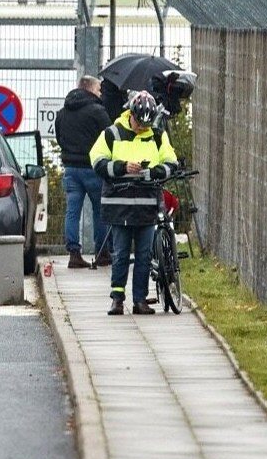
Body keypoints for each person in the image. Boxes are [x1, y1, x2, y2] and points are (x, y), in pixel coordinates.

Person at [89, 90, 178, 315]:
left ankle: (140, 300)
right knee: (120, 254)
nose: (142, 128)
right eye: (139, 123)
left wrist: (155, 172)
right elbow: (97, 161)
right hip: (120, 205)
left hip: (147, 204)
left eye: (146, 124)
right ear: (131, 115)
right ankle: (117, 298)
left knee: (144, 255)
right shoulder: (112, 134)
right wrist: (121, 167)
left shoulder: (157, 135)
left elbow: (171, 162)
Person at [54, 76, 111, 269]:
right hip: (93, 168)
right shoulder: (97, 111)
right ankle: (102, 253)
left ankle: (74, 254)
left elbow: (59, 137)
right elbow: (109, 137)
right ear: (89, 89)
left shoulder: (62, 112)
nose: (100, 93)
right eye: (98, 89)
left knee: (72, 212)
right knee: (100, 210)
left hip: (70, 168)